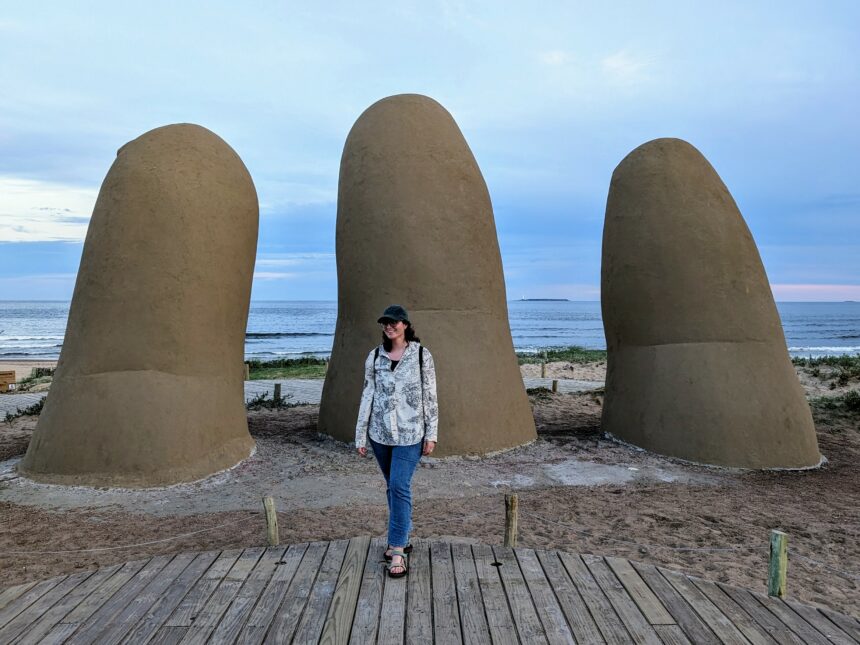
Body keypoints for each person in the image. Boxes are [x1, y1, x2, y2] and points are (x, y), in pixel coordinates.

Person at [355, 304, 438, 578]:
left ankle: (397, 550)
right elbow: (368, 394)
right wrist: (361, 434)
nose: (389, 326)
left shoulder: (422, 354)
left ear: (405, 324)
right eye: (385, 323)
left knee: (399, 485)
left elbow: (430, 396)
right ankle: (403, 536)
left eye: (394, 322)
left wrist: (431, 433)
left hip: (410, 432)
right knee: (392, 488)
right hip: (380, 433)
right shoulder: (375, 356)